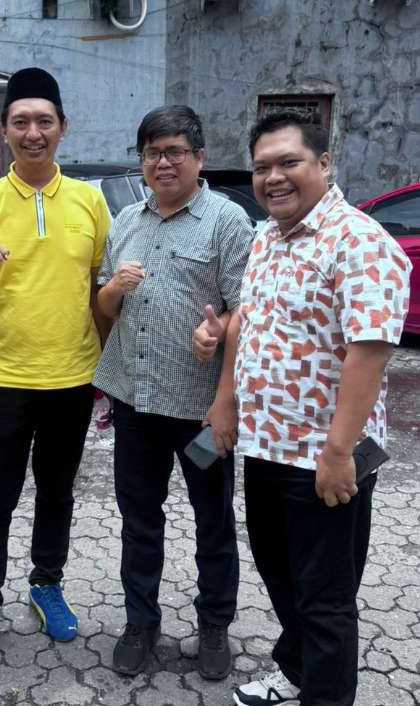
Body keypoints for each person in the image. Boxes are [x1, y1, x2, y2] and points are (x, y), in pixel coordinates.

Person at [198, 109, 411, 706]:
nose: (273, 177)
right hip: (266, 444)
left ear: (324, 163)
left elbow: (369, 352)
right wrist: (224, 401)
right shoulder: (267, 236)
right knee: (281, 573)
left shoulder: (361, 242)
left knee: (326, 598)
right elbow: (246, 322)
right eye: (261, 167)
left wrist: (339, 453)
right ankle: (295, 670)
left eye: (288, 162)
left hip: (325, 457)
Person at [0, 67, 111, 673]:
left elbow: (98, 291)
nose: (33, 132)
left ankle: (46, 583)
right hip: (3, 377)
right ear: (3, 130)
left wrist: (108, 372)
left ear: (62, 128)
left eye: (44, 121)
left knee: (57, 492)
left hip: (72, 376)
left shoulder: (89, 201)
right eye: (20, 122)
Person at [94, 105, 255, 680]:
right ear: (141, 160)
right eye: (152, 153)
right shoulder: (125, 221)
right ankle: (141, 623)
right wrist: (113, 288)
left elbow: (244, 310)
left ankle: (214, 625)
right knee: (139, 520)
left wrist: (218, 334)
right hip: (135, 404)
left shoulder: (226, 221)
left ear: (198, 157)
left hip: (200, 411)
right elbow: (103, 306)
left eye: (174, 152)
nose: (162, 163)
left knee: (212, 521)